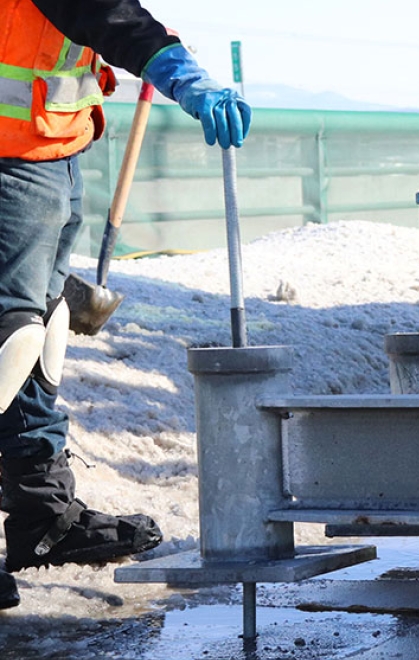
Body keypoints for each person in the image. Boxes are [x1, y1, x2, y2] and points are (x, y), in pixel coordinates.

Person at [0, 0, 250, 609]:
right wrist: (173, 66)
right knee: (9, 341)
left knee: (38, 336)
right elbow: (103, 14)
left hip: (51, 152)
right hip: (11, 161)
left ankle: (42, 518)